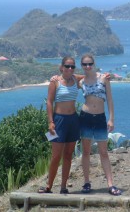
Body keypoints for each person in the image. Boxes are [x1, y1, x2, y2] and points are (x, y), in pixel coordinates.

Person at [79, 53, 122, 196]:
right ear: (82, 66)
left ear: (94, 63)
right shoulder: (81, 81)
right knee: (86, 152)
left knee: (104, 152)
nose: (87, 66)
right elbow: (65, 79)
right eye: (84, 64)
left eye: (90, 63)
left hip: (100, 118)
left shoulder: (104, 78)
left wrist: (112, 119)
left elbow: (110, 99)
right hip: (85, 117)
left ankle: (110, 184)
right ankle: (86, 182)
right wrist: (55, 78)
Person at [38, 56, 81, 194]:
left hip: (73, 120)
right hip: (58, 121)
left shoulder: (76, 79)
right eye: (67, 66)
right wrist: (50, 122)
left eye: (72, 66)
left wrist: (104, 76)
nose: (69, 69)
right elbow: (49, 102)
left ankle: (63, 187)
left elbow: (91, 76)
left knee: (68, 155)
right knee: (56, 156)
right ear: (61, 67)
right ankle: (49, 186)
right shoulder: (55, 82)